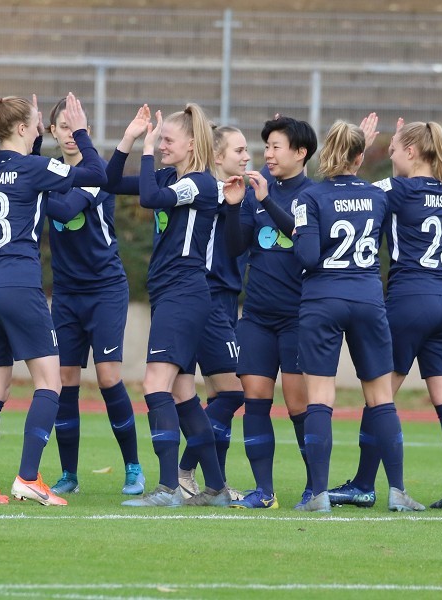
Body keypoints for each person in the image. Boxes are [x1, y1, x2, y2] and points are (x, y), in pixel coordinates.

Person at [0, 93, 107, 506]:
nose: (41, 126)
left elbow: (24, 179)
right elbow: (94, 172)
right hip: (19, 288)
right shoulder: (33, 167)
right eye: (36, 122)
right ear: (21, 128)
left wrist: (35, 139)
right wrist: (81, 132)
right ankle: (27, 477)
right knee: (50, 382)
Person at [328, 118, 442, 510]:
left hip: (410, 298)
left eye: (393, 149)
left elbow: (349, 194)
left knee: (380, 396)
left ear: (411, 151)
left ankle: (362, 484)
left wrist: (355, 153)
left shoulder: (394, 189)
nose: (389, 156)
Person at [287, 116, 425, 513]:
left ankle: (317, 494)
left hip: (322, 300)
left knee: (320, 398)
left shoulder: (309, 198)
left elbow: (308, 257)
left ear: (325, 152)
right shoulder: (378, 196)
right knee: (381, 398)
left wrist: (301, 236)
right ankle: (397, 491)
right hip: (367, 297)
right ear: (361, 157)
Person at [107, 103, 229, 507]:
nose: (160, 148)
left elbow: (149, 198)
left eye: (166, 141)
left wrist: (144, 149)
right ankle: (215, 488)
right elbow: (110, 182)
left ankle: (166, 488)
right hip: (172, 294)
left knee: (154, 384)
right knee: (183, 394)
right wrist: (129, 139)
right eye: (158, 142)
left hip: (183, 292)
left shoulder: (201, 183)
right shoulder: (172, 177)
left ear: (192, 145)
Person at [42, 96, 145, 497]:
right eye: (61, 127)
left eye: (75, 127)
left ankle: (134, 468)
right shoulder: (48, 171)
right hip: (67, 293)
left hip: (105, 289)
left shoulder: (96, 171)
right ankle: (69, 474)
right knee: (65, 379)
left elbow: (66, 210)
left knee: (107, 376)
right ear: (52, 132)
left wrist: (31, 190)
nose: (69, 134)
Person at [222, 116, 317, 510]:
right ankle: (264, 492)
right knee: (255, 398)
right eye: (268, 146)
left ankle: (316, 488)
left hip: (298, 316)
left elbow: (301, 239)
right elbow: (236, 246)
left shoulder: (314, 195)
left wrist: (265, 200)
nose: (269, 154)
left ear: (301, 153)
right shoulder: (254, 191)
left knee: (298, 406)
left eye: (277, 146)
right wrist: (232, 207)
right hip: (258, 316)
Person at [177, 125, 249, 501]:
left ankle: (213, 484)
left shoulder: (239, 194)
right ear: (217, 157)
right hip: (207, 298)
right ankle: (185, 468)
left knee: (218, 396)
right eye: (239, 150)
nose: (247, 155)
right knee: (235, 393)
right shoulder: (207, 194)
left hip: (226, 300)